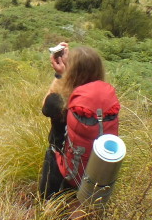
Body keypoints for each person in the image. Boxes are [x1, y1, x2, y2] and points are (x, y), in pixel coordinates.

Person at [38, 44, 116, 200]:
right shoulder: (106, 100)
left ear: (71, 70)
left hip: (61, 167)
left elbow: (45, 106)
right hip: (95, 170)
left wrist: (59, 75)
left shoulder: (59, 101)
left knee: (51, 205)